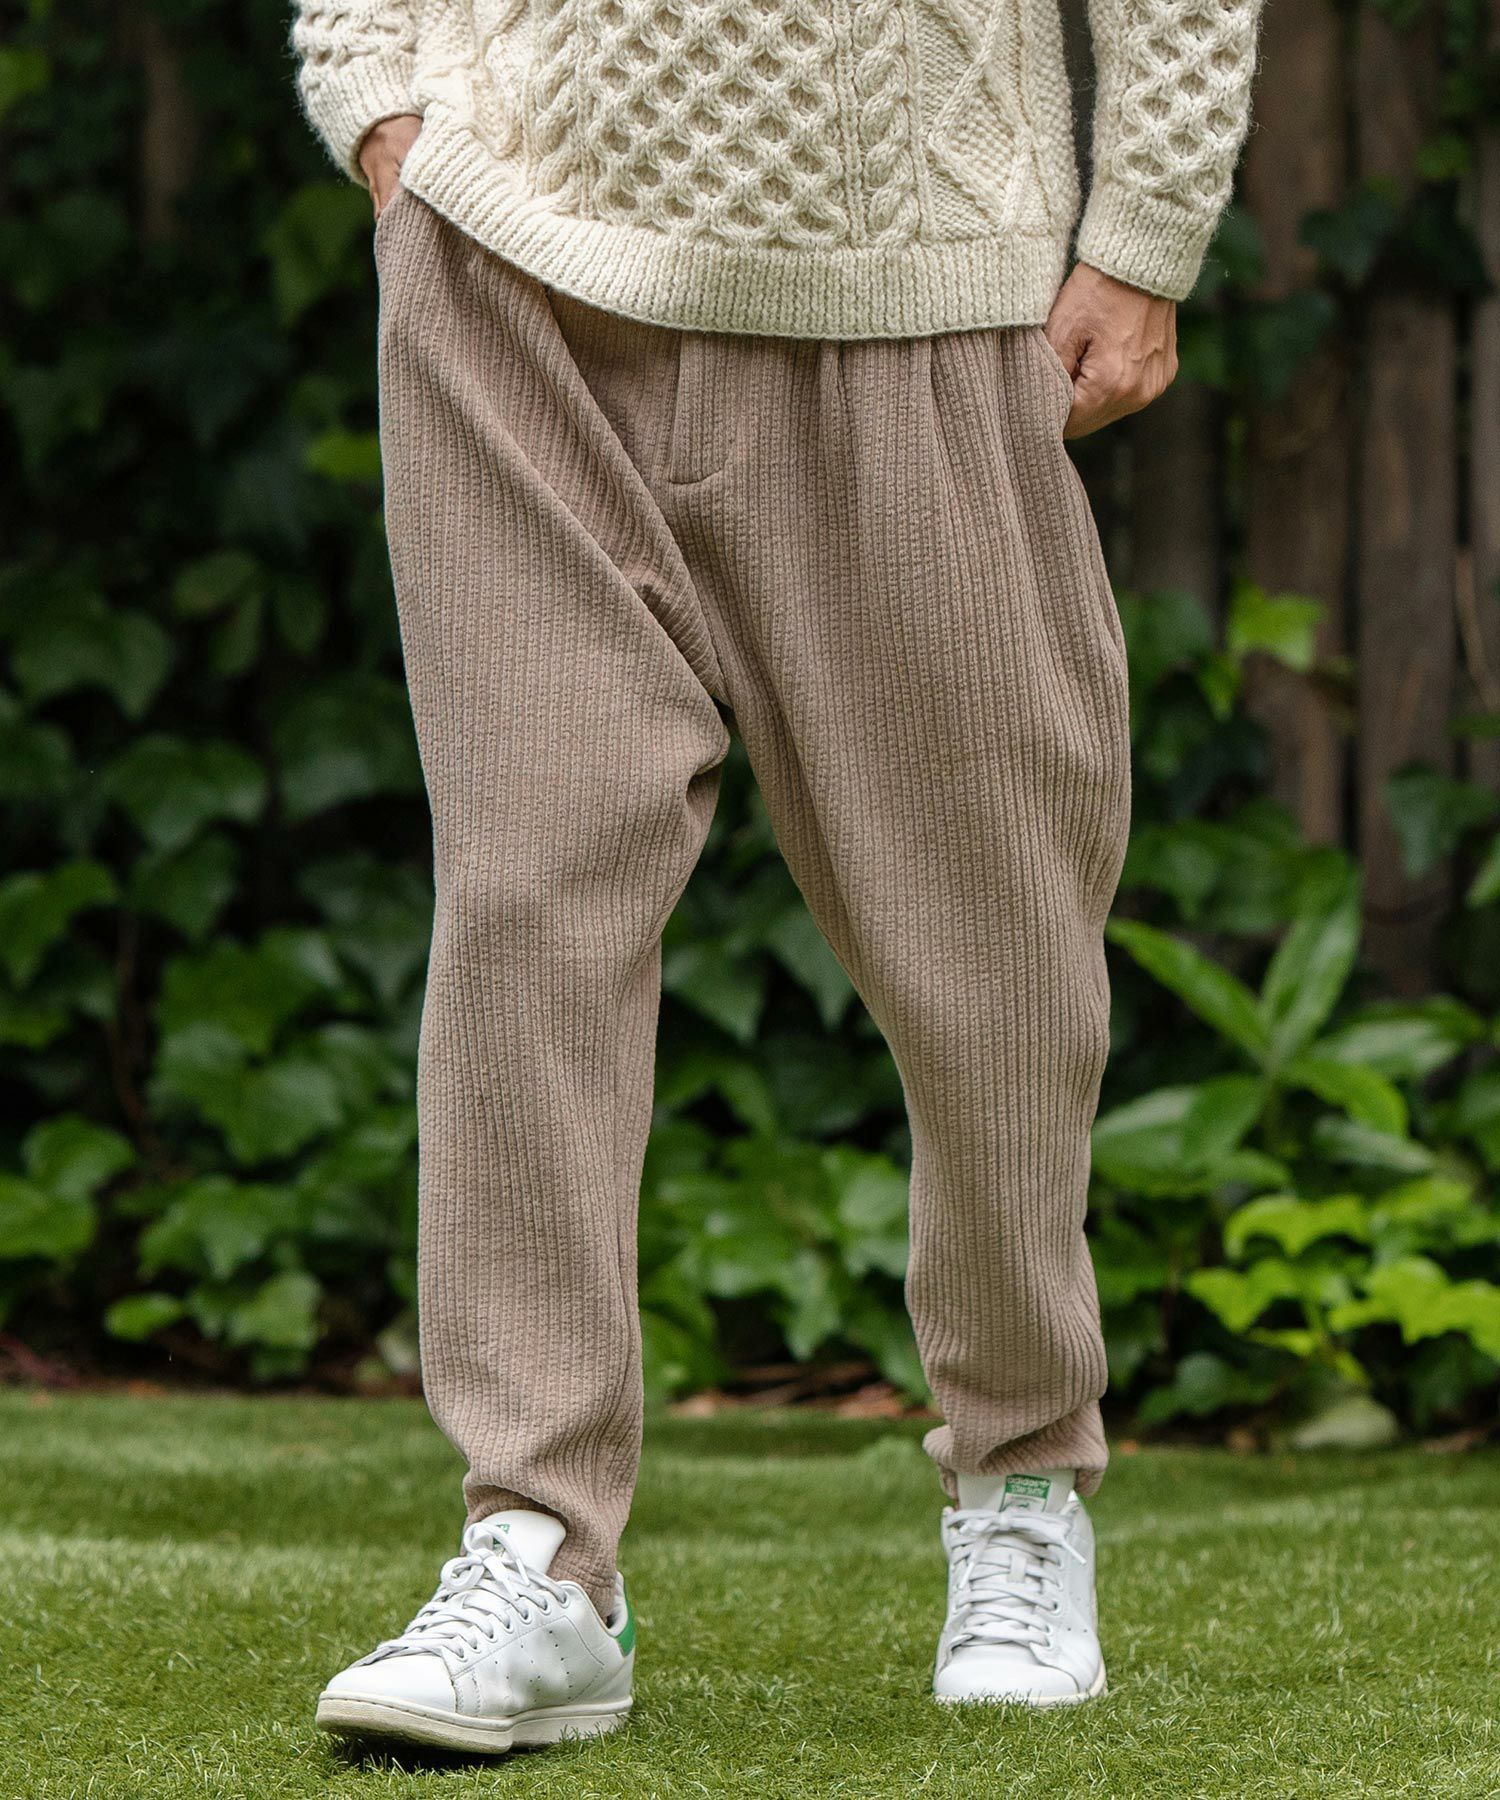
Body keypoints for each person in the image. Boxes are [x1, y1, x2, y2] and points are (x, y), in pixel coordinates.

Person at [291, 0, 1260, 1753]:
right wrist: (375, 93)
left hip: (917, 287)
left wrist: (1145, 226)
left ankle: (1023, 1478)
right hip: (512, 264)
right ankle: (538, 1550)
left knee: (997, 961)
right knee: (530, 901)